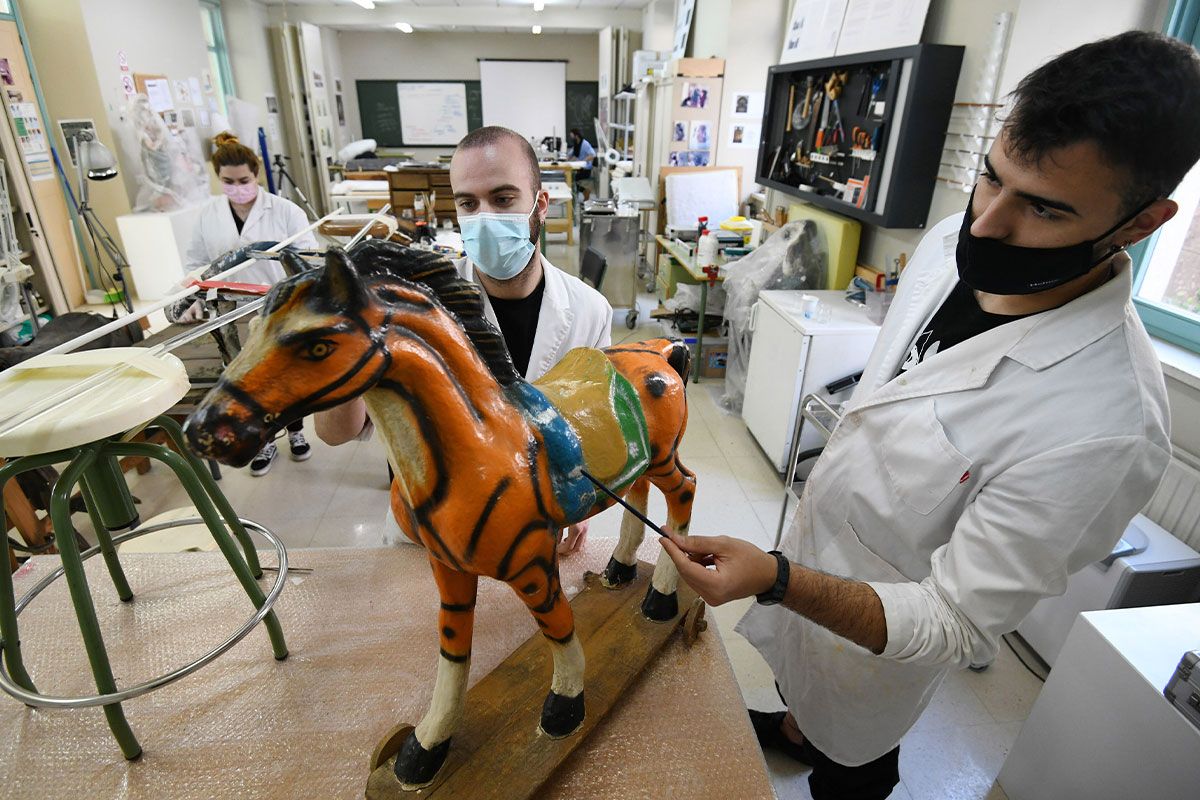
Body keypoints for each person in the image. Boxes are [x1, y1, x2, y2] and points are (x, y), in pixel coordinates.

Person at [657, 31, 1198, 799]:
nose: (987, 225)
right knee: (801, 692)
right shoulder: (952, 243)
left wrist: (778, 578)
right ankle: (792, 727)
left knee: (854, 760)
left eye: (1043, 208)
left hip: (884, 642)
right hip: (819, 560)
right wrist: (791, 572)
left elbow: (955, 620)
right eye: (991, 178)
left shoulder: (1107, 422)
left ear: (1141, 223)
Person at [316, 125, 613, 553]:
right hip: (432, 532)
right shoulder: (412, 304)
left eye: (504, 199)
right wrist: (349, 331)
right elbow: (335, 433)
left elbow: (594, 427)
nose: (485, 217)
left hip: (535, 521)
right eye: (468, 203)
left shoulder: (590, 311)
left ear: (540, 204)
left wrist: (587, 502)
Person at [180, 131, 318, 476]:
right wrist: (192, 294)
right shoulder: (208, 215)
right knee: (246, 380)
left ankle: (297, 432)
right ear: (219, 179)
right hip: (230, 310)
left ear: (256, 174)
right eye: (228, 181)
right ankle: (264, 441)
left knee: (284, 376)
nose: (237, 186)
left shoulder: (286, 211)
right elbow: (195, 262)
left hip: (278, 306)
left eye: (244, 179)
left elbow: (309, 257)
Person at [567, 127, 596, 201]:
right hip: (579, 167)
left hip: (585, 169)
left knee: (572, 179)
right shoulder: (576, 144)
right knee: (571, 179)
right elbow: (571, 154)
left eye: (572, 136)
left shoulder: (585, 144)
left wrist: (583, 161)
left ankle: (583, 192)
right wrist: (565, 159)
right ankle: (583, 192)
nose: (571, 138)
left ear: (576, 136)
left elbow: (593, 155)